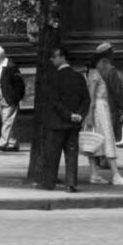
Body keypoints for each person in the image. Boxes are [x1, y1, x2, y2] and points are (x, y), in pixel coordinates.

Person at [38, 45, 91, 192]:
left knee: (52, 154)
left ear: (62, 57)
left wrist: (68, 115)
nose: (52, 59)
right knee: (71, 154)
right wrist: (79, 115)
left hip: (57, 123)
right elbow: (86, 99)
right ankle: (71, 183)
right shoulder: (79, 77)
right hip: (73, 125)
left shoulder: (53, 77)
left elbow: (54, 101)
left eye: (54, 57)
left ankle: (49, 183)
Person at [91, 44, 123, 185]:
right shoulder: (110, 70)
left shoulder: (93, 70)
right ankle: (115, 173)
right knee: (108, 137)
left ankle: (95, 172)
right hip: (106, 107)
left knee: (94, 140)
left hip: (95, 108)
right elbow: (117, 91)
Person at [84, 48, 123, 186]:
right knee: (106, 139)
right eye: (104, 62)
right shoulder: (95, 74)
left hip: (99, 109)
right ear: (99, 62)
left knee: (95, 143)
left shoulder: (93, 74)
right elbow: (91, 97)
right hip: (99, 110)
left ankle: (95, 174)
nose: (106, 65)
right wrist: (89, 115)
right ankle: (116, 174)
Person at [0, 45, 25, 151]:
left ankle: (3, 143)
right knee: (9, 120)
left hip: (9, 97)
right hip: (0, 95)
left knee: (7, 120)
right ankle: (13, 143)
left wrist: (16, 97)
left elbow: (19, 83)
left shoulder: (10, 66)